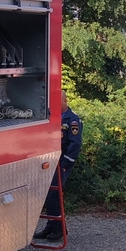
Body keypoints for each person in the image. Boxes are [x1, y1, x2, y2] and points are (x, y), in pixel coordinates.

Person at [36, 90, 81, 241]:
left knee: (53, 195)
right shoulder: (52, 117)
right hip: (49, 161)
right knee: (47, 194)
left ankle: (59, 229)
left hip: (61, 163)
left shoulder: (72, 120)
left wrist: (64, 164)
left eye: (57, 102)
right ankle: (51, 225)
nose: (53, 105)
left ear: (64, 101)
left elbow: (75, 145)